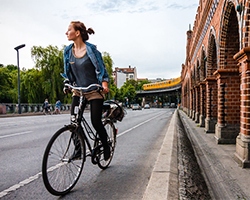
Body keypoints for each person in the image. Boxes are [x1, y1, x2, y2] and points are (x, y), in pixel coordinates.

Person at [61, 21, 110, 160]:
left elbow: (102, 71)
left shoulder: (92, 50)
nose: (66, 32)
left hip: (94, 90)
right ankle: (78, 150)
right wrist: (67, 84)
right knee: (74, 120)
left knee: (95, 121)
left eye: (69, 30)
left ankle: (105, 145)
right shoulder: (67, 51)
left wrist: (104, 85)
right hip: (78, 90)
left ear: (77, 33)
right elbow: (67, 72)